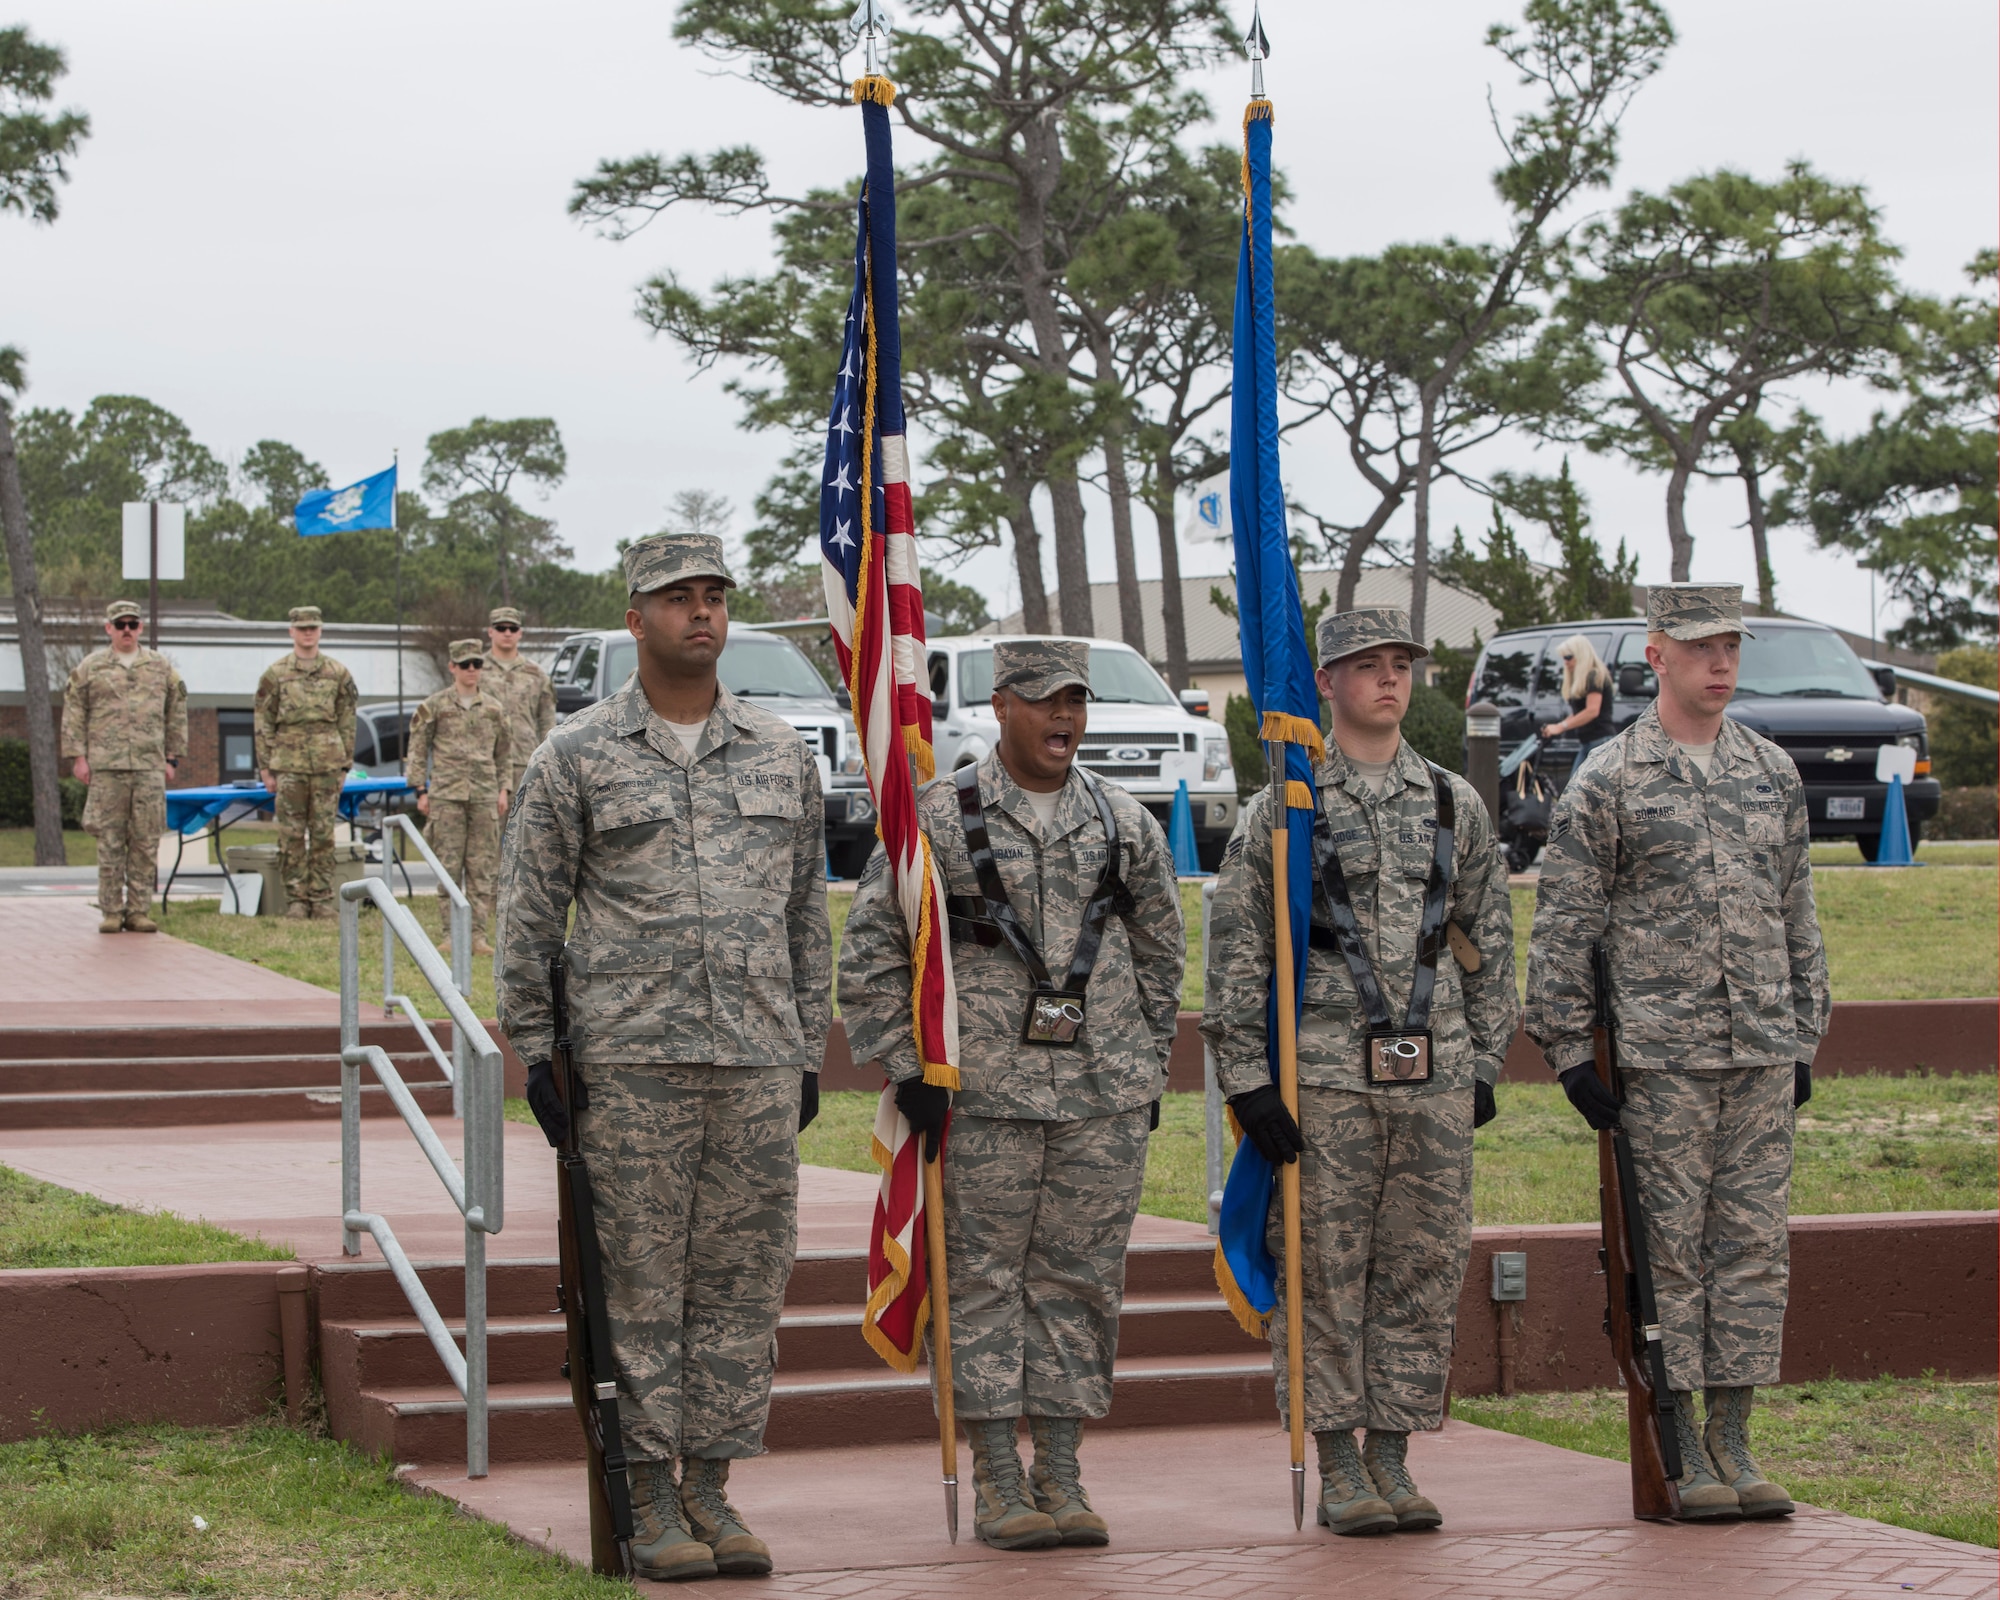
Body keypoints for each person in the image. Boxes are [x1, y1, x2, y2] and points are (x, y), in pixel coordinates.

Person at [496, 531, 829, 1583]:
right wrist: (538, 1052)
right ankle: (647, 1496)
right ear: (633, 618)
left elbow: (803, 915)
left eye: (714, 596)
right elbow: (529, 914)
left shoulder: (781, 752)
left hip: (755, 1063)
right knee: (637, 1282)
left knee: (741, 1282)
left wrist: (806, 1043)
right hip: (630, 1064)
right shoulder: (576, 755)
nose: (701, 613)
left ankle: (713, 1490)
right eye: (677, 598)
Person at [838, 639, 1185, 1553]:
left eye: (1076, 701)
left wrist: (1146, 1064)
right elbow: (873, 951)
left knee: (1080, 1284)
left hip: (1099, 1096)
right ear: (1000, 706)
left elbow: (1161, 954)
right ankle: (998, 1476)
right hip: (980, 1097)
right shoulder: (938, 822)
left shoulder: (1122, 821)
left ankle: (1061, 1473)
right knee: (982, 1286)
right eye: (1043, 701)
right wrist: (905, 1067)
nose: (1064, 718)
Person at [1203, 607, 1518, 1537]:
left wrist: (1485, 1062)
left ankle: (1394, 1456)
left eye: (1401, 665)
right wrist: (1250, 1079)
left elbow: (1490, 945)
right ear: (1327, 684)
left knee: (1421, 1268)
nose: (1390, 680)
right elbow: (1239, 956)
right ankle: (1338, 1461)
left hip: (1433, 1078)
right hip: (1325, 1084)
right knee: (1326, 1272)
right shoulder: (1285, 811)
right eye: (1367, 666)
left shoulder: (1455, 804)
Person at [1526, 583, 1828, 1523]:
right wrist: (1572, 1052)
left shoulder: (1770, 771)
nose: (1722, 664)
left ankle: (1737, 1441)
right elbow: (1565, 925)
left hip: (1760, 1052)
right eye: (1702, 648)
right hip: (1659, 1060)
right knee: (1669, 1258)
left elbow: (1796, 911)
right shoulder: (1611, 778)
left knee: (1750, 1252)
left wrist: (1804, 1031)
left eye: (1731, 646)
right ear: (1656, 657)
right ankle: (1683, 1444)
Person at [61, 600, 187, 934]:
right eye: (120, 625)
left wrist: (172, 757)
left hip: (148, 766)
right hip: (107, 767)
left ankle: (139, 910)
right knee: (110, 841)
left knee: (146, 840)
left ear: (141, 628)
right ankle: (112, 911)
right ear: (109, 629)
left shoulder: (160, 667)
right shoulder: (91, 667)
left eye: (133, 624)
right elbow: (74, 711)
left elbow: (176, 710)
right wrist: (78, 756)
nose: (127, 630)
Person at [404, 640, 510, 956]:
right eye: (465, 665)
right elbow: (418, 749)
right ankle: (451, 934)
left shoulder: (493, 709)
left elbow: (504, 752)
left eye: (476, 664)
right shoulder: (434, 706)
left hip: (483, 796)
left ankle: (477, 936)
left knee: (481, 870)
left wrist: (503, 788)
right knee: (447, 867)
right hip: (446, 796)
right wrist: (420, 790)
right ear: (452, 667)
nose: (471, 670)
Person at [255, 606, 358, 919]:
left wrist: (344, 766)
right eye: (302, 628)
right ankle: (297, 900)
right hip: (289, 764)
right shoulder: (275, 674)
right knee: (291, 834)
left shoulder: (338, 673)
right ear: (291, 632)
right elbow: (263, 721)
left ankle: (322, 899)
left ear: (321, 630)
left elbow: (347, 720)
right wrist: (266, 767)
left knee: (324, 833)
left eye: (313, 627)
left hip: (327, 764)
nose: (308, 633)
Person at [482, 605, 556, 799]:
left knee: (525, 825)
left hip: (525, 759)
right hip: (486, 762)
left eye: (512, 629)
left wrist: (546, 760)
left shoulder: (536, 674)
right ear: (491, 632)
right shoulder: (476, 672)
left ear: (520, 633)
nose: (507, 633)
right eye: (501, 628)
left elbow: (546, 720)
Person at [1541, 634, 1615, 764]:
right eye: (1564, 658)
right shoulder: (1584, 678)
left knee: (1579, 783)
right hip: (1589, 743)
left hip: (1600, 741)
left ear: (1581, 655)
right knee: (1575, 782)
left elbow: (1592, 711)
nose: (1566, 662)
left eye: (1569, 657)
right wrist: (1557, 726)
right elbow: (1579, 713)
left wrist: (1562, 727)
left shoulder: (1594, 675)